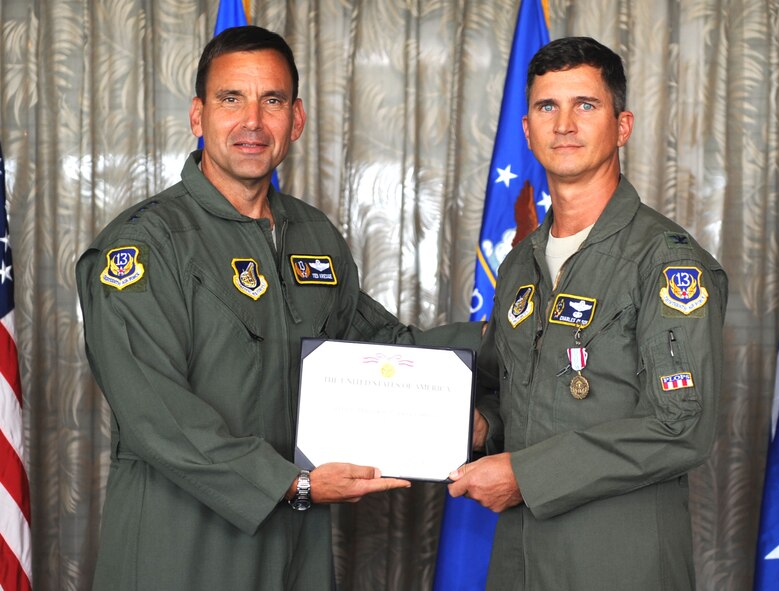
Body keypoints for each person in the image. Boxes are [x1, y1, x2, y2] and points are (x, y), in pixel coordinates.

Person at [76, 26, 481, 590]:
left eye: (272, 100)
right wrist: (295, 485)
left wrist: (499, 348)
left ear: (296, 119)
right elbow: (157, 417)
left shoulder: (313, 235)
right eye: (230, 98)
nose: (252, 121)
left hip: (296, 548)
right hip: (181, 544)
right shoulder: (142, 247)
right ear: (198, 116)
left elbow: (379, 349)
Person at [447, 37, 727, 590]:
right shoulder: (520, 265)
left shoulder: (667, 261)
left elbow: (682, 426)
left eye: (586, 105)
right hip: (520, 561)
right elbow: (530, 399)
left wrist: (525, 475)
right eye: (547, 107)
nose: (565, 124)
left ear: (622, 126)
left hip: (620, 562)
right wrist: (486, 428)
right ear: (527, 130)